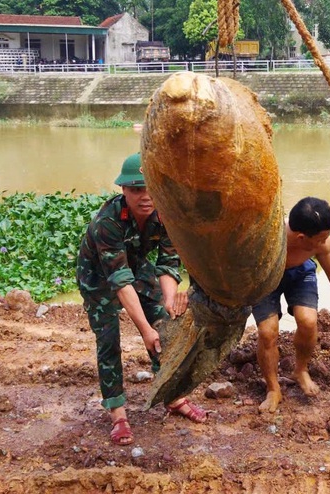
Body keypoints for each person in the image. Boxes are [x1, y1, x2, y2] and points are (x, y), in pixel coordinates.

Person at [77, 152, 207, 446]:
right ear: (123, 190)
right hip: (99, 277)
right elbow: (120, 283)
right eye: (136, 189)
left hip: (135, 267)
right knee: (109, 340)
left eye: (150, 188)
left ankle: (173, 396)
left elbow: (168, 263)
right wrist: (144, 330)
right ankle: (118, 414)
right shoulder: (106, 223)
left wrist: (169, 304)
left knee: (165, 325)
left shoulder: (167, 214)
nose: (145, 196)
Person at [252, 197, 330, 413]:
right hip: (265, 276)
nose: (325, 242)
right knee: (267, 331)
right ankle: (273, 389)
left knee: (308, 321)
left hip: (300, 273)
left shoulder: (320, 242)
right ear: (301, 237)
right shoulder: (267, 239)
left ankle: (300, 370)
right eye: (321, 239)